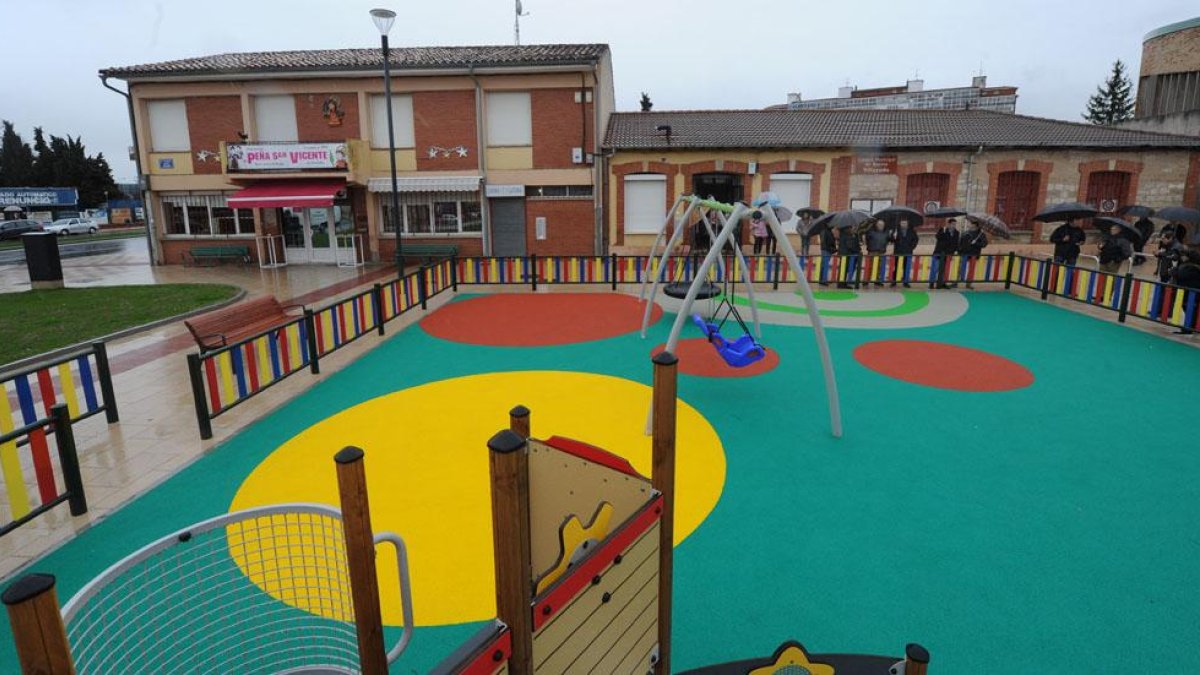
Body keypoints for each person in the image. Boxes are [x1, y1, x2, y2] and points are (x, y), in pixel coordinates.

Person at [957, 220, 989, 289]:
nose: (971, 227)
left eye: (973, 226)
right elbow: (960, 241)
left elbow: (984, 244)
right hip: (964, 253)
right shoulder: (966, 233)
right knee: (960, 268)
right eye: (971, 225)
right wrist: (959, 250)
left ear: (977, 227)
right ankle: (956, 282)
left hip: (974, 254)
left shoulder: (981, 234)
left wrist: (976, 243)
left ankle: (969, 283)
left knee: (971, 270)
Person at [890, 218, 919, 288]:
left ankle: (906, 282)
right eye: (902, 223)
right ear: (900, 223)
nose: (903, 224)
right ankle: (894, 281)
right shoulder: (896, 230)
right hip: (898, 251)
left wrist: (911, 247)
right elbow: (891, 241)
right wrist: (892, 236)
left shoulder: (912, 231)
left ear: (907, 224)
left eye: (905, 223)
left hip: (907, 252)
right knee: (897, 267)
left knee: (906, 267)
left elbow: (916, 239)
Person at [932, 218, 960, 289]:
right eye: (953, 224)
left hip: (948, 254)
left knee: (945, 270)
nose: (954, 226)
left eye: (955, 224)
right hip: (939, 253)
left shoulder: (956, 232)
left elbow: (956, 244)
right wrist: (943, 232)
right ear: (949, 224)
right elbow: (937, 237)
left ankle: (943, 283)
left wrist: (953, 251)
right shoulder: (943, 230)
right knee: (936, 269)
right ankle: (932, 283)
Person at [864, 220, 890, 287]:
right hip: (872, 251)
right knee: (869, 266)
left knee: (879, 267)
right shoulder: (871, 231)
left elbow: (889, 239)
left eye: (882, 225)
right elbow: (867, 239)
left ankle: (877, 281)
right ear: (876, 225)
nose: (881, 226)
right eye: (879, 224)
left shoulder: (886, 232)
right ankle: (866, 281)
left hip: (881, 252)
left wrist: (892, 236)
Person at [837, 224, 862, 289]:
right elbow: (850, 245)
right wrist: (857, 251)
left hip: (847, 254)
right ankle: (841, 284)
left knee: (844, 269)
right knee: (843, 269)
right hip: (845, 254)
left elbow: (855, 244)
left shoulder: (852, 234)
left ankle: (842, 283)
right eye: (854, 227)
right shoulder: (846, 235)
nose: (855, 229)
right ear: (849, 228)